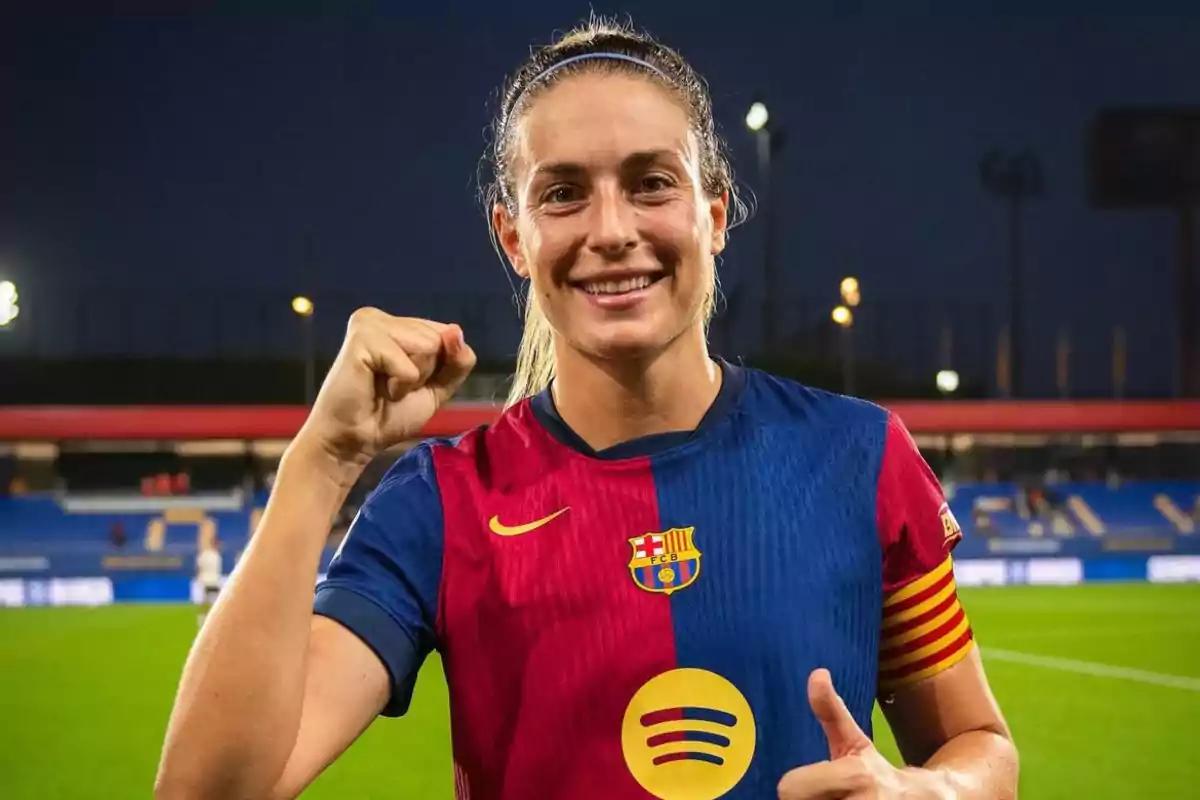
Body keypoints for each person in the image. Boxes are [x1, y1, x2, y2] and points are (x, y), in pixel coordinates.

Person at [155, 17, 1017, 800]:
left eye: (651, 183)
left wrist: (930, 793)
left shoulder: (858, 454)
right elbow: (212, 791)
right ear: (513, 238)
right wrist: (322, 459)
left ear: (715, 215)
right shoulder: (442, 502)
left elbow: (980, 748)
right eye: (563, 193)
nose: (610, 229)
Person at [194, 537, 222, 628]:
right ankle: (204, 622)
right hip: (209, 582)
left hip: (210, 582)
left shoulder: (209, 555)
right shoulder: (213, 556)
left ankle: (203, 622)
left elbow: (198, 567)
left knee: (207, 604)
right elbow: (199, 568)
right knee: (208, 604)